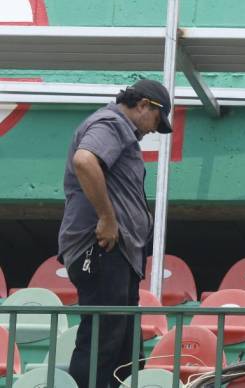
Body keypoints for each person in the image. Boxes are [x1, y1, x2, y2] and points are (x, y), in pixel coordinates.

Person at [58, 79, 173, 388]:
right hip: (102, 249)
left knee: (124, 348)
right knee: (102, 342)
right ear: (144, 105)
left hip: (118, 255)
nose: (153, 130)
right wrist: (108, 219)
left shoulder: (119, 129)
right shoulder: (112, 123)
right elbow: (85, 160)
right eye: (156, 121)